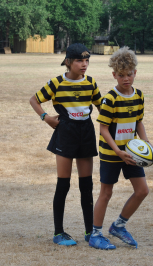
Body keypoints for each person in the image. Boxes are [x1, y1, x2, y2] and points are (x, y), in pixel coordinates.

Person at [29, 43, 102, 246]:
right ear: (68, 62)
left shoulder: (91, 83)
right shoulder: (56, 83)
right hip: (65, 133)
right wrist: (46, 117)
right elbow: (34, 100)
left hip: (86, 133)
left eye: (87, 60)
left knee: (86, 186)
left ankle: (90, 231)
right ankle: (59, 232)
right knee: (64, 183)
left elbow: (102, 106)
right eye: (79, 60)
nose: (84, 64)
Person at [89, 47, 152, 250]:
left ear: (135, 73)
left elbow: (138, 122)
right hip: (111, 154)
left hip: (132, 152)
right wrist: (117, 151)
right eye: (122, 75)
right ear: (114, 75)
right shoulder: (110, 98)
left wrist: (145, 141)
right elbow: (104, 128)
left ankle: (118, 225)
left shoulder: (139, 95)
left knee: (142, 190)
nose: (126, 79)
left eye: (130, 74)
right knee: (106, 193)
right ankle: (95, 234)